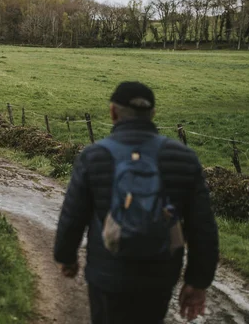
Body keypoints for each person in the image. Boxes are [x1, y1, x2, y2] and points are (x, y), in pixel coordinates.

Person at [54, 81, 219, 324]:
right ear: (152, 114)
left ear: (112, 112)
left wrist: (66, 257)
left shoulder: (95, 156)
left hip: (107, 273)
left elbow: (73, 214)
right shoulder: (183, 158)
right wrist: (198, 282)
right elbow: (202, 226)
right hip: (160, 275)